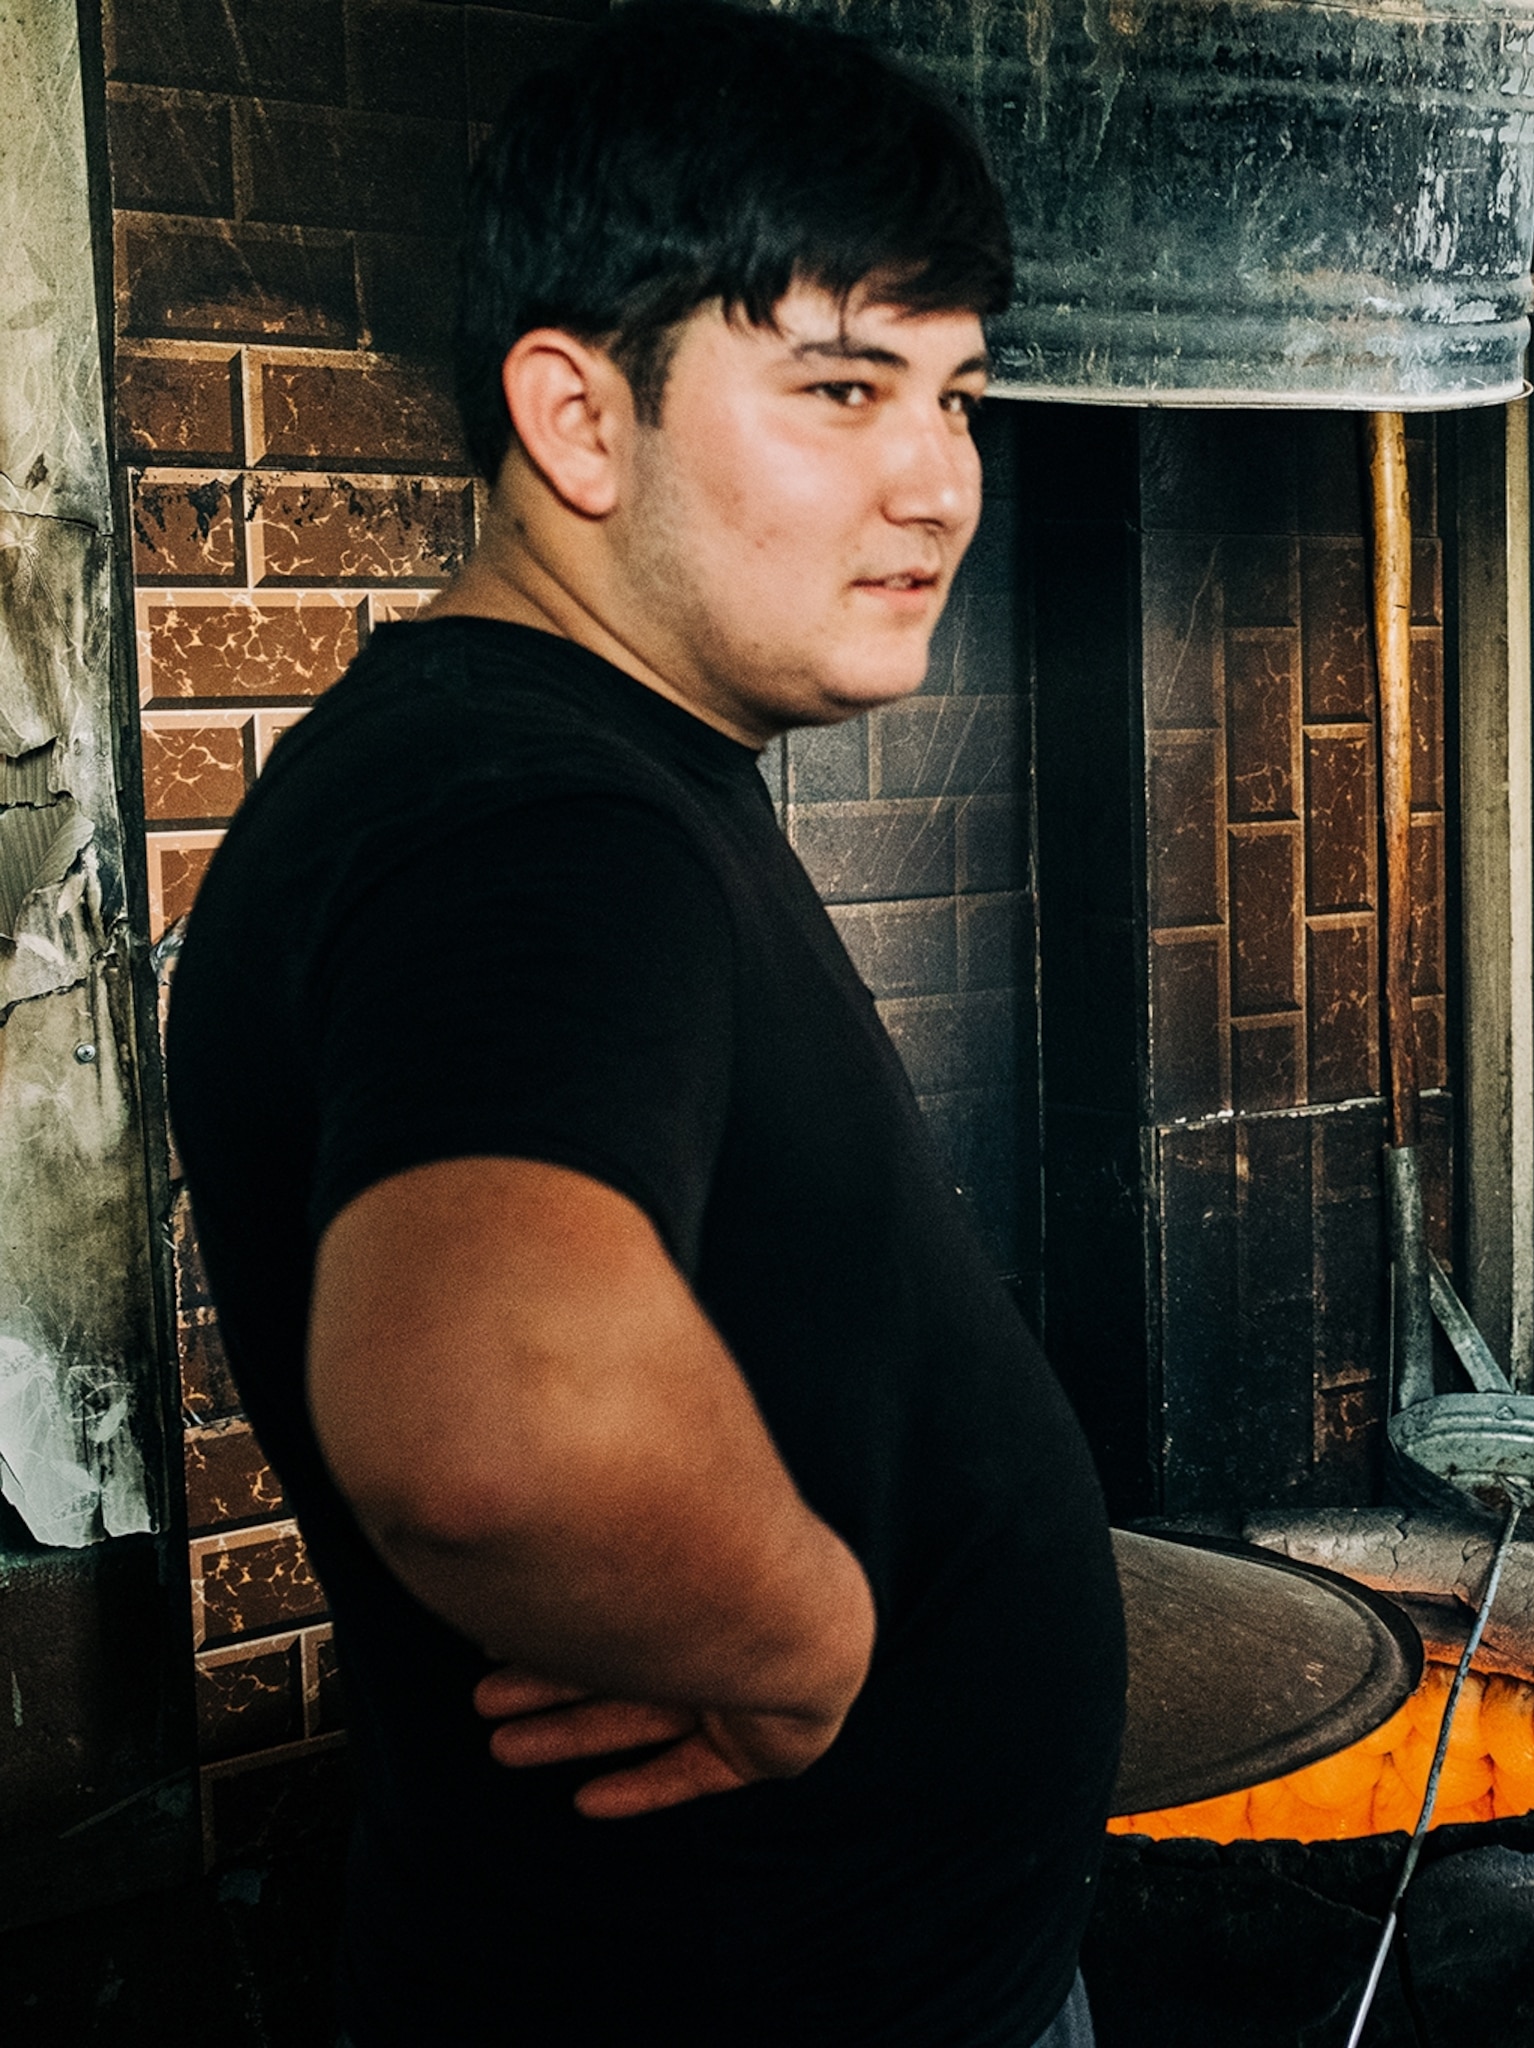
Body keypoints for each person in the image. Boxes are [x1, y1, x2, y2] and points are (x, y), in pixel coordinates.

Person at [163, 7, 1122, 2043]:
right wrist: (803, 1635)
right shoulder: (542, 822)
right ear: (579, 423)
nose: (940, 483)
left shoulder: (541, 765)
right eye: (843, 388)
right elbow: (495, 1408)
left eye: (958, 395)